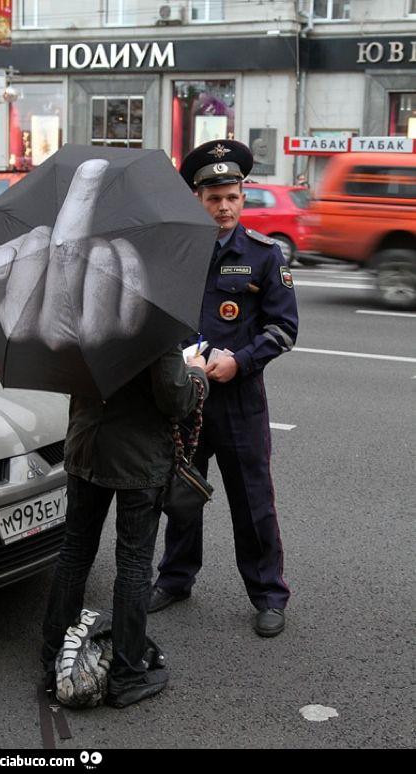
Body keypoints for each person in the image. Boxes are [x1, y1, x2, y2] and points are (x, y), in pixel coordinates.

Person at [149, 139, 299, 638]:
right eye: (214, 198)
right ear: (197, 198)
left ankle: (268, 595)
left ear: (242, 195)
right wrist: (186, 353)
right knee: (182, 494)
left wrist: (241, 360)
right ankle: (175, 578)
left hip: (239, 401)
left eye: (232, 196)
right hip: (186, 398)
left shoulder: (262, 255)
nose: (225, 207)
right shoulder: (176, 255)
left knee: (252, 500)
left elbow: (283, 328)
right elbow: (161, 316)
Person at [41, 347, 209, 708]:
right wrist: (197, 375)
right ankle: (127, 674)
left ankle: (53, 655)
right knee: (133, 564)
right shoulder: (151, 322)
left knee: (74, 551)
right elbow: (175, 398)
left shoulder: (80, 312)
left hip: (86, 443)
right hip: (138, 455)